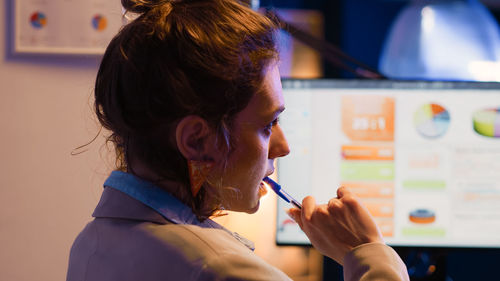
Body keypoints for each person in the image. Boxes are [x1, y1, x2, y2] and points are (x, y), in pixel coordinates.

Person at [66, 0, 409, 280]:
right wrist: (368, 252)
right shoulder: (225, 270)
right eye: (268, 123)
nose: (283, 146)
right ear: (197, 141)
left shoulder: (90, 243)